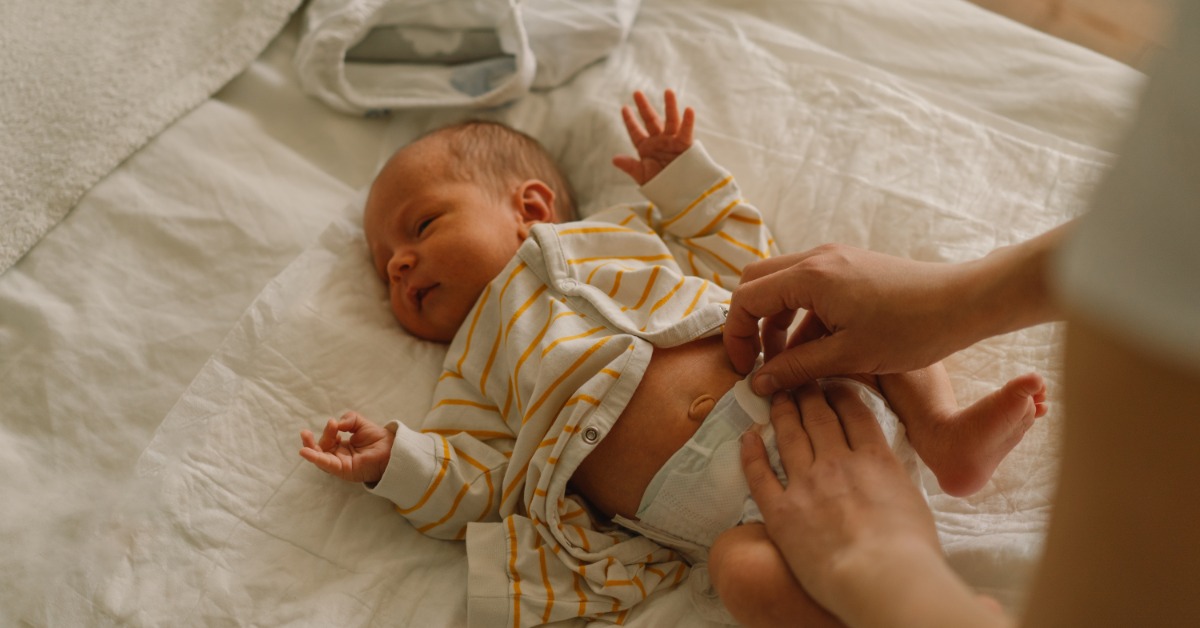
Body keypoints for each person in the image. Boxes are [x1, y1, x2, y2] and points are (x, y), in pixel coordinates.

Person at [297, 90, 1046, 626]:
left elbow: (746, 256)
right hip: (725, 520)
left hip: (794, 383)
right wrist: (397, 459)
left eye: (421, 225)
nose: (399, 263)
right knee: (740, 577)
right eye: (385, 260)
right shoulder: (471, 368)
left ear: (529, 208)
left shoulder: (622, 232)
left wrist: (682, 181)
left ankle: (943, 433)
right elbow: (481, 486)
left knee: (845, 302)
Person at [723, 2, 1200, 625]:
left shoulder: (602, 253)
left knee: (745, 566)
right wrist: (956, 298)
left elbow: (705, 234)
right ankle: (942, 440)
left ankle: (941, 431)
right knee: (741, 566)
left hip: (800, 461)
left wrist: (888, 574)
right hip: (775, 482)